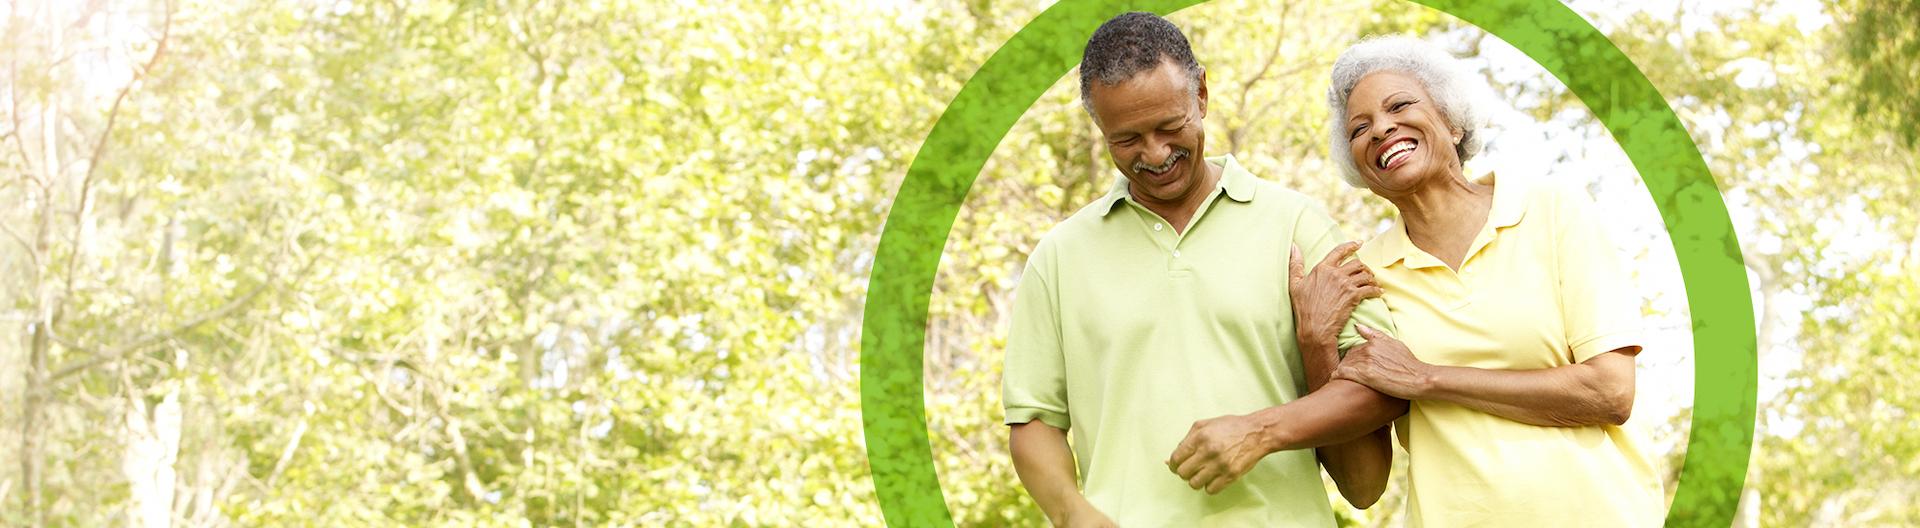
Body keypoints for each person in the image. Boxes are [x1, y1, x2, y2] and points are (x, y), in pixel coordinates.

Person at [1002, 12, 1407, 526]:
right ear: (1099, 125)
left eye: (1170, 127)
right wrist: (1069, 511)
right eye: (1127, 139)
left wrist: (1261, 430)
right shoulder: (1059, 257)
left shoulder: (1295, 225)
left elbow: (1384, 385)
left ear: (1202, 94)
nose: (1155, 154)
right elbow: (1034, 418)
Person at [1320, 35, 1665, 526]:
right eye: (1359, 127)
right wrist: (1315, 337)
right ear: (1358, 166)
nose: (1381, 128)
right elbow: (1363, 482)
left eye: (1400, 105)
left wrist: (1427, 378)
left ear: (1453, 120)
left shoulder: (1551, 210)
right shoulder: (1365, 276)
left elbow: (1609, 392)